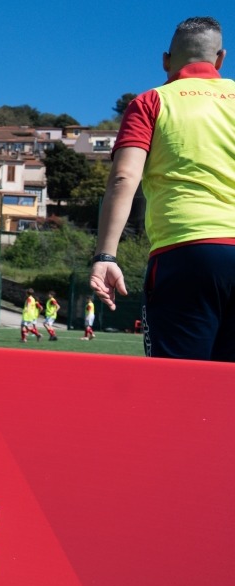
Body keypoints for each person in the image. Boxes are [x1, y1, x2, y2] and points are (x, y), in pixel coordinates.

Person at [91, 16, 235, 361]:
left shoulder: (150, 102)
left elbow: (124, 177)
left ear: (166, 60)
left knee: (177, 384)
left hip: (185, 251)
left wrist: (105, 256)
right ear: (220, 59)